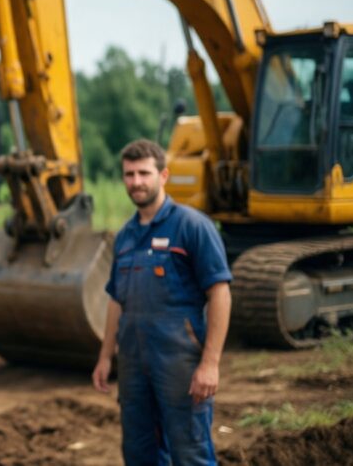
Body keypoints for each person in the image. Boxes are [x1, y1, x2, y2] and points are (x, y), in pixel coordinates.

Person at [91, 139, 232, 466]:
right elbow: (116, 300)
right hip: (133, 365)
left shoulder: (192, 226)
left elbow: (220, 292)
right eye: (129, 174)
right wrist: (104, 356)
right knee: (140, 453)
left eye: (144, 173)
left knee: (190, 452)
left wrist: (210, 364)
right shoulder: (125, 236)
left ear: (163, 175)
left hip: (178, 361)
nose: (136, 182)